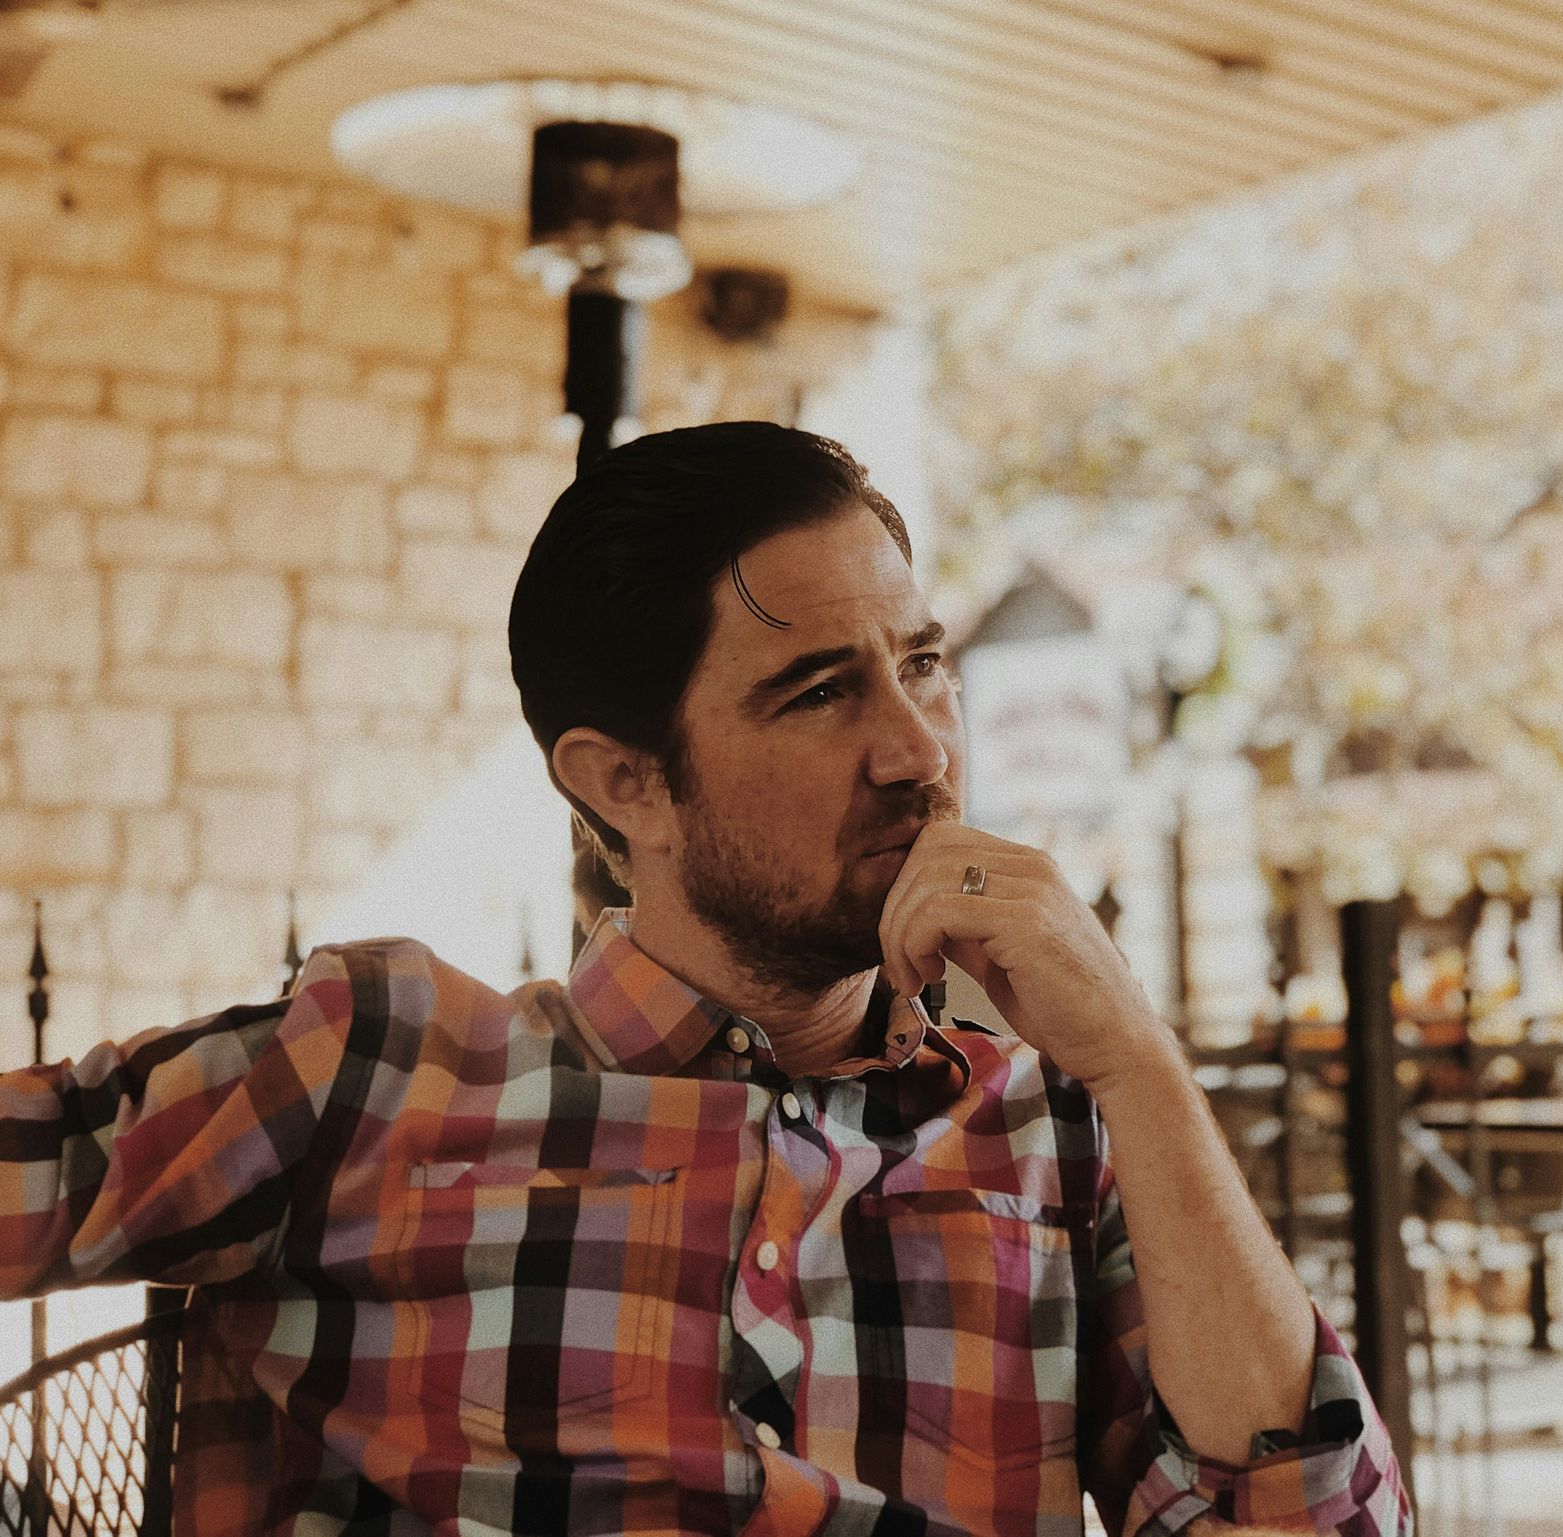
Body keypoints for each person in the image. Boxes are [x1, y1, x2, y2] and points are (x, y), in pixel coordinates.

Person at [0, 423, 1408, 1537]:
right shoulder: (378, 1069)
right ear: (627, 783)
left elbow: (1314, 1519)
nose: (919, 747)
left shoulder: (1056, 1132)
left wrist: (1141, 1066)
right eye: (820, 691)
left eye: (923, 665)